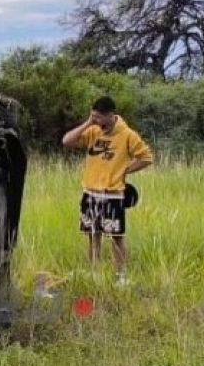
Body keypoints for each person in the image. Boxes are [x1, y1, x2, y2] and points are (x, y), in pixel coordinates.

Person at [61, 96, 153, 282]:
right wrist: (88, 122)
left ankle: (121, 277)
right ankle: (94, 273)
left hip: (112, 194)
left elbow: (146, 157)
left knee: (116, 236)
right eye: (93, 116)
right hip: (91, 192)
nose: (97, 121)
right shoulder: (93, 130)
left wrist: (123, 171)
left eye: (99, 117)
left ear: (111, 115)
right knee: (92, 235)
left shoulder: (127, 135)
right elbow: (67, 141)